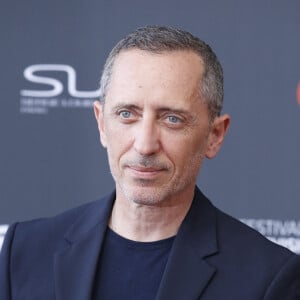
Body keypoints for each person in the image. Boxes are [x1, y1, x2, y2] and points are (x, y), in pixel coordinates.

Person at [0, 26, 299, 300]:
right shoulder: (25, 251)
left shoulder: (269, 278)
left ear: (214, 135)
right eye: (127, 114)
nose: (144, 145)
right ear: (102, 124)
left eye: (172, 119)